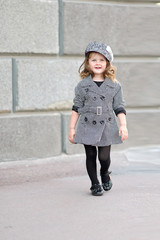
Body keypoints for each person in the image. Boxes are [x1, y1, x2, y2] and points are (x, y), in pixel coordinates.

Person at [68, 41, 128, 196]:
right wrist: (72, 128)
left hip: (107, 124)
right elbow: (76, 108)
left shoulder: (115, 85)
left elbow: (119, 107)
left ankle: (105, 173)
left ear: (107, 63)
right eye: (94, 60)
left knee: (104, 156)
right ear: (87, 63)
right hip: (87, 124)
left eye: (102, 60)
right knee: (91, 155)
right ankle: (95, 184)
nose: (98, 63)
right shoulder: (82, 86)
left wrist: (123, 125)